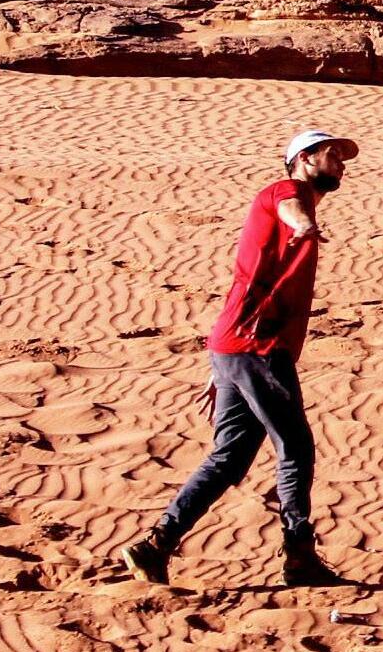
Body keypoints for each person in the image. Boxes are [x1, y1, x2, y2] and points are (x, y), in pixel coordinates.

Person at [122, 129, 358, 589]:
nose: (342, 164)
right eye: (333, 155)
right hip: (257, 344)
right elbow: (289, 206)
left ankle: (155, 545)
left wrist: (224, 367)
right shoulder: (285, 192)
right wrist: (302, 225)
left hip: (234, 346)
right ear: (305, 159)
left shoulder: (294, 200)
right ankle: (299, 556)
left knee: (230, 456)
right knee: (295, 446)